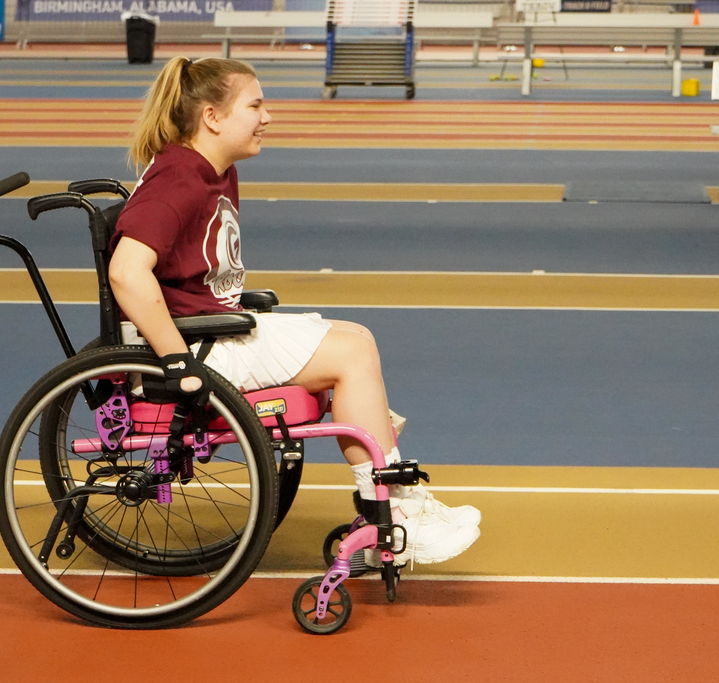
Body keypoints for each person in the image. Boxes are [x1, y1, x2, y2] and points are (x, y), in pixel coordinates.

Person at [108, 56, 480, 566]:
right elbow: (127, 271)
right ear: (213, 117)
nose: (268, 116)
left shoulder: (212, 170)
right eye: (255, 105)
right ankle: (396, 510)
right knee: (350, 352)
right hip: (196, 346)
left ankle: (389, 504)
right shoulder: (179, 178)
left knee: (354, 336)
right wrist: (177, 362)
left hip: (213, 329)